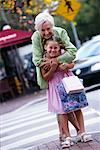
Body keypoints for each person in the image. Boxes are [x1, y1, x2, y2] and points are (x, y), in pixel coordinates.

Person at [31, 12, 92, 147]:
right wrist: (52, 67)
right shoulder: (36, 38)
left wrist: (55, 61)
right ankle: (68, 134)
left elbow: (72, 53)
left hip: (67, 78)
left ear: (52, 26)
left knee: (75, 105)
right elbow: (36, 60)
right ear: (38, 30)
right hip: (53, 80)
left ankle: (79, 132)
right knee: (62, 108)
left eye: (48, 29)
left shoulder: (60, 33)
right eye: (43, 30)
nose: (46, 32)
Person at [41, 38, 92, 148]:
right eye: (50, 47)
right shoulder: (43, 59)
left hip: (69, 81)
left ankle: (82, 132)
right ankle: (67, 136)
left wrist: (67, 66)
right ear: (45, 47)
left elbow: (72, 63)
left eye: (55, 47)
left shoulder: (63, 54)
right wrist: (53, 68)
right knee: (61, 111)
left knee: (77, 107)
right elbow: (45, 77)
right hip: (55, 85)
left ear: (59, 48)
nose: (53, 50)